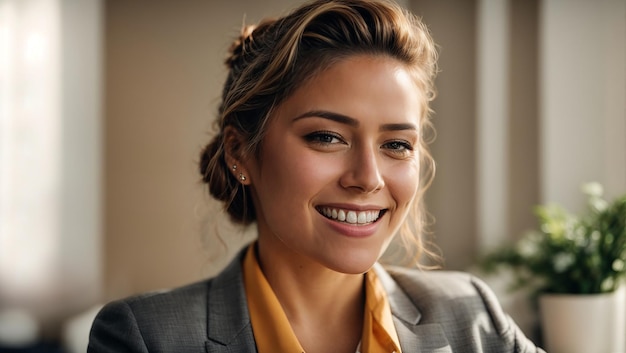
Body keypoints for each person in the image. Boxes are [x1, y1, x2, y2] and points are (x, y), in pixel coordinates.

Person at [88, 0, 545, 352]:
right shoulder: (146, 337)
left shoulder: (471, 315)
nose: (368, 178)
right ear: (240, 152)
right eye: (327, 137)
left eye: (396, 144)